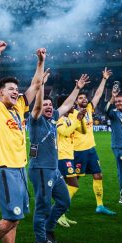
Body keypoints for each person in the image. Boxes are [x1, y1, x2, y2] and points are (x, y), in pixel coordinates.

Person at [0, 43, 47, 243]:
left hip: (19, 168)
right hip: (3, 167)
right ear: (0, 93)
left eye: (17, 89)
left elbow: (36, 83)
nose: (16, 92)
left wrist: (40, 62)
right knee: (11, 217)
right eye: (11, 90)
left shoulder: (19, 107)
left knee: (16, 219)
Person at [28, 73, 89, 243]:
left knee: (64, 201)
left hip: (53, 170)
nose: (48, 107)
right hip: (40, 168)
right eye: (45, 105)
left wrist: (77, 88)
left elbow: (67, 105)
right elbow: (37, 105)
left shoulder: (53, 118)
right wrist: (40, 87)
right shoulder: (36, 120)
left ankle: (48, 229)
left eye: (50, 104)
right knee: (43, 206)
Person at [73, 67, 116, 215]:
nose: (84, 99)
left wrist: (104, 79)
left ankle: (100, 205)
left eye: (85, 98)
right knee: (74, 180)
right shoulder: (72, 114)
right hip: (78, 151)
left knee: (98, 175)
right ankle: (62, 207)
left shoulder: (90, 109)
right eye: (80, 98)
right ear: (75, 102)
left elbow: (97, 94)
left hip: (91, 149)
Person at [55, 95, 87, 228]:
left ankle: (60, 212)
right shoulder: (59, 119)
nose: (73, 106)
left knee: (69, 185)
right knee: (73, 184)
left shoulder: (69, 118)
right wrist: (77, 120)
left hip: (69, 156)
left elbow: (83, 131)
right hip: (62, 156)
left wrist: (81, 118)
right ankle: (58, 212)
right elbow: (66, 132)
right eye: (71, 104)